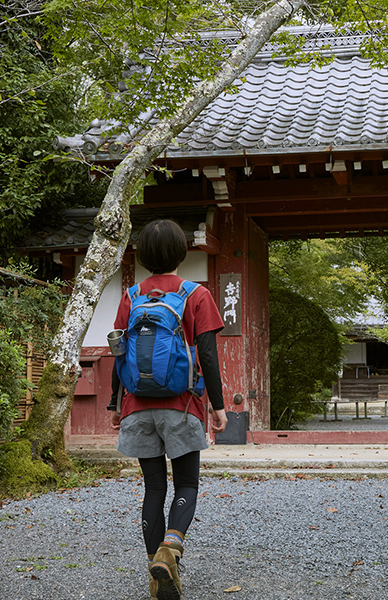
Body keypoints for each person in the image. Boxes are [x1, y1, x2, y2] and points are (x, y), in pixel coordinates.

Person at [108, 219, 227, 600]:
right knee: (187, 483)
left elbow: (119, 352)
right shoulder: (196, 294)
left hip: (137, 405)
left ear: (142, 256)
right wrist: (219, 407)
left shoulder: (131, 296)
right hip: (182, 405)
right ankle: (169, 550)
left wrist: (115, 403)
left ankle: (154, 572)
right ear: (182, 251)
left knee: (154, 488)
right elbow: (207, 355)